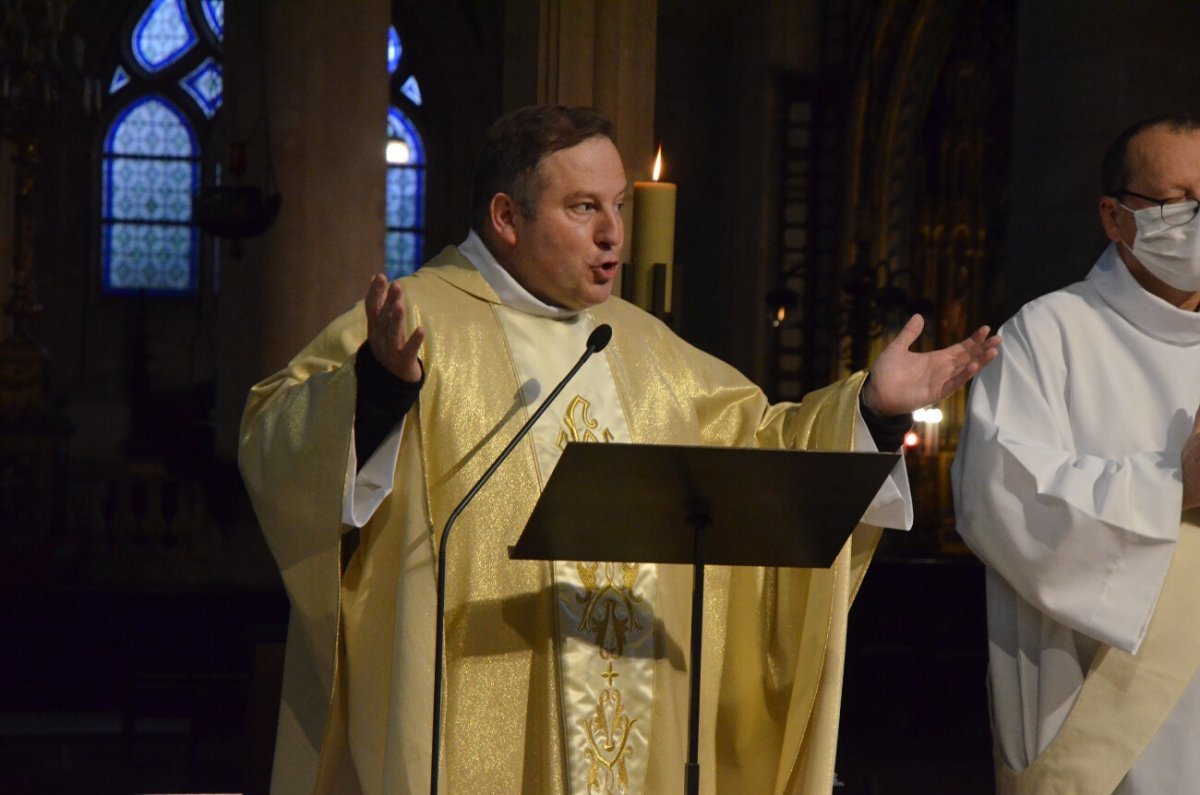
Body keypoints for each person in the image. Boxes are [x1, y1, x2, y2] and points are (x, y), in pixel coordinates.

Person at [240, 104, 1000, 795]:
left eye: (618, 207)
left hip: (638, 727)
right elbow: (275, 440)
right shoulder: (413, 322)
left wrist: (870, 405)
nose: (613, 235)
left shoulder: (644, 347)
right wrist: (375, 391)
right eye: (583, 209)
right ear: (506, 216)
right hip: (473, 714)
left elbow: (762, 449)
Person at [952, 114, 1200, 794]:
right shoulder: (1047, 335)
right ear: (1114, 217)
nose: (1197, 218)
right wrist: (1172, 484)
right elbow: (998, 497)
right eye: (1176, 201)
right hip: (1102, 726)